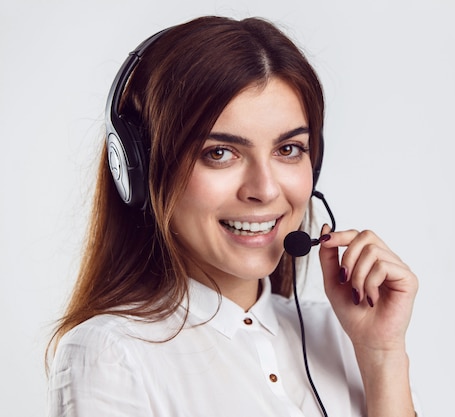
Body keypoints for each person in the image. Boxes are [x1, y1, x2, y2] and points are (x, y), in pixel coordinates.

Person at [46, 15, 420, 417]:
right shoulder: (111, 355)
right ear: (141, 169)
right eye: (219, 153)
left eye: (289, 149)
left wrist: (382, 356)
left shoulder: (343, 334)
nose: (265, 189)